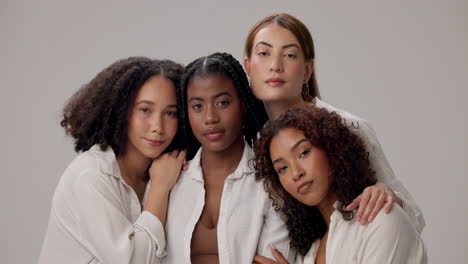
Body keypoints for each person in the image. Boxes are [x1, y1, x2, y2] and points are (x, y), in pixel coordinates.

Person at [243, 13, 425, 232]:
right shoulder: (250, 142)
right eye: (263, 53)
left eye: (290, 55)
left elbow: (415, 219)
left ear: (307, 70)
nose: (275, 65)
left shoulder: (346, 128)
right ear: (248, 67)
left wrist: (389, 196)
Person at [39, 57, 186, 264]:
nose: (158, 127)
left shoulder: (168, 170)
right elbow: (134, 261)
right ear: (120, 111)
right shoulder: (90, 176)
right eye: (145, 110)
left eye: (170, 113)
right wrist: (160, 188)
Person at [162, 52, 293, 264]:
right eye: (197, 106)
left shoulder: (272, 183)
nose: (210, 118)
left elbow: (274, 259)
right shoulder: (168, 178)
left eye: (222, 103)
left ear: (242, 104)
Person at [253, 105, 427, 264]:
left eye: (304, 153)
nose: (296, 173)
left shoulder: (381, 220)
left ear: (330, 147)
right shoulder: (309, 252)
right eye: (282, 168)